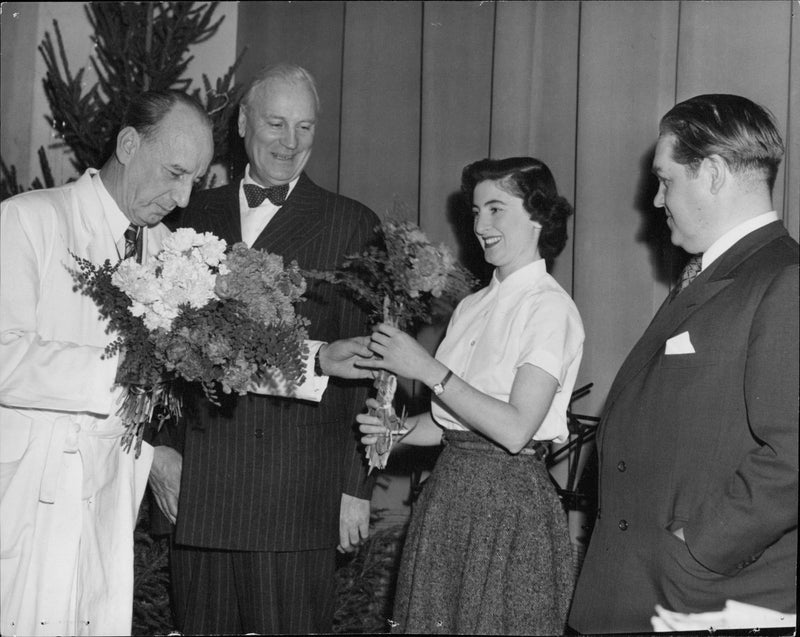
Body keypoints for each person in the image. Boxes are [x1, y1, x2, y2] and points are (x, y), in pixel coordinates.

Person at [149, 63, 380, 635]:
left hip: (296, 496)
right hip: (198, 490)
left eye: (304, 127)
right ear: (245, 123)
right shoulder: (189, 213)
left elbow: (374, 371)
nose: (290, 142)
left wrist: (356, 487)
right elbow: (155, 348)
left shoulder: (351, 225)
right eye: (276, 123)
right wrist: (159, 454)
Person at [568, 94, 799, 633]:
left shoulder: (784, 280)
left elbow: (794, 455)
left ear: (714, 173)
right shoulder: (712, 276)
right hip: (638, 591)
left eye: (666, 180)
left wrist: (697, 551)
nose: (655, 199)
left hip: (699, 599)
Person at [0, 90, 214, 636]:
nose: (184, 196)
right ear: (127, 144)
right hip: (26, 497)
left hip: (107, 500)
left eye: (196, 179)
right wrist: (119, 373)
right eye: (174, 172)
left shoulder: (172, 253)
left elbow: (222, 353)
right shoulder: (29, 221)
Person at [357, 157, 585, 634]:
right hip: (449, 497)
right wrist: (397, 430)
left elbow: (515, 428)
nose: (480, 225)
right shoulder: (470, 306)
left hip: (509, 506)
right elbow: (450, 424)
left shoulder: (550, 309)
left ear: (539, 215)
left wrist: (429, 370)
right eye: (476, 211)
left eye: (496, 209)